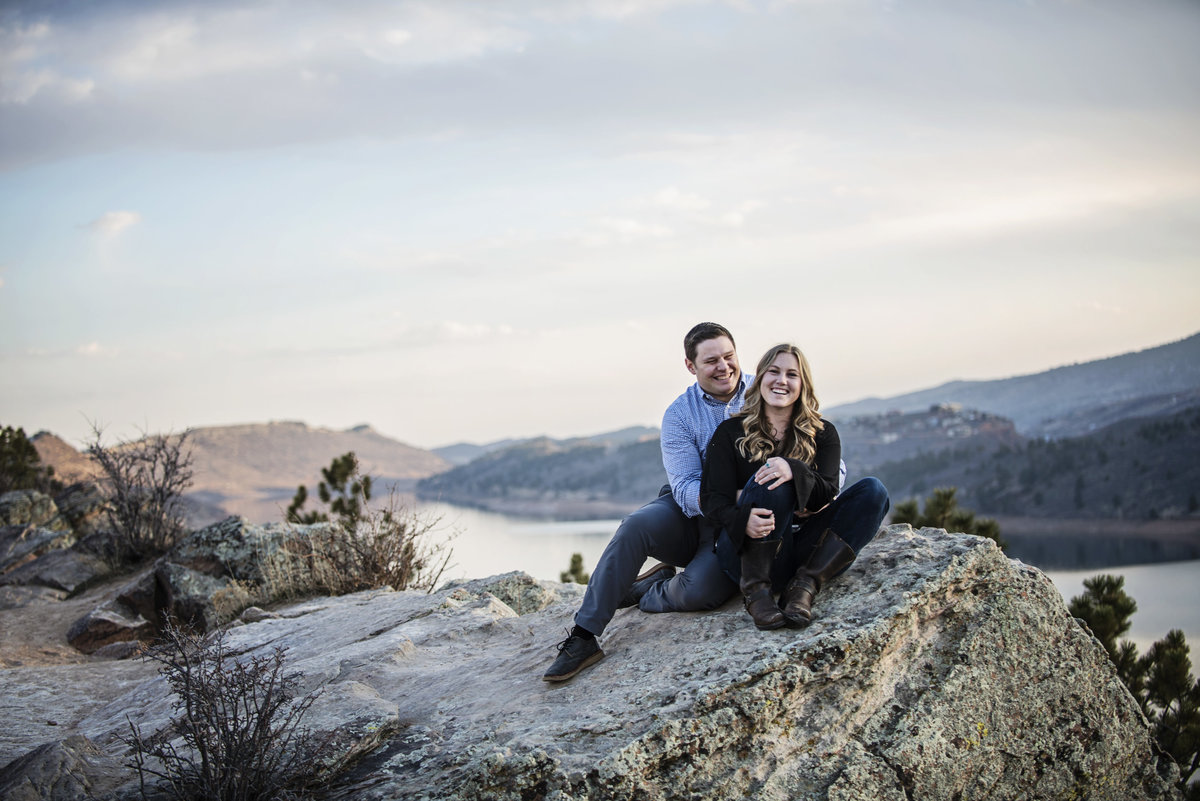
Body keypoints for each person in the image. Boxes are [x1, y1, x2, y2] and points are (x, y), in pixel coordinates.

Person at [543, 322, 752, 682]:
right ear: (691, 366)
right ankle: (584, 636)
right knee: (635, 525)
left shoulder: (767, 392)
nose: (723, 367)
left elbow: (817, 452)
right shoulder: (680, 414)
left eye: (729, 356)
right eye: (711, 360)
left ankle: (649, 589)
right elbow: (685, 487)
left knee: (701, 593)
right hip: (693, 511)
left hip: (740, 522)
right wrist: (729, 502)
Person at [700, 343, 890, 630]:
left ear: (802, 385)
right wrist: (742, 519)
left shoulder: (823, 433)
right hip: (744, 553)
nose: (781, 381)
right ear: (761, 378)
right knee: (772, 474)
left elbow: (826, 493)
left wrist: (796, 470)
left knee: (873, 491)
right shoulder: (729, 433)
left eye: (792, 375)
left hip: (804, 552)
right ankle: (757, 593)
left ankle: (804, 586)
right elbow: (712, 499)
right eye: (774, 372)